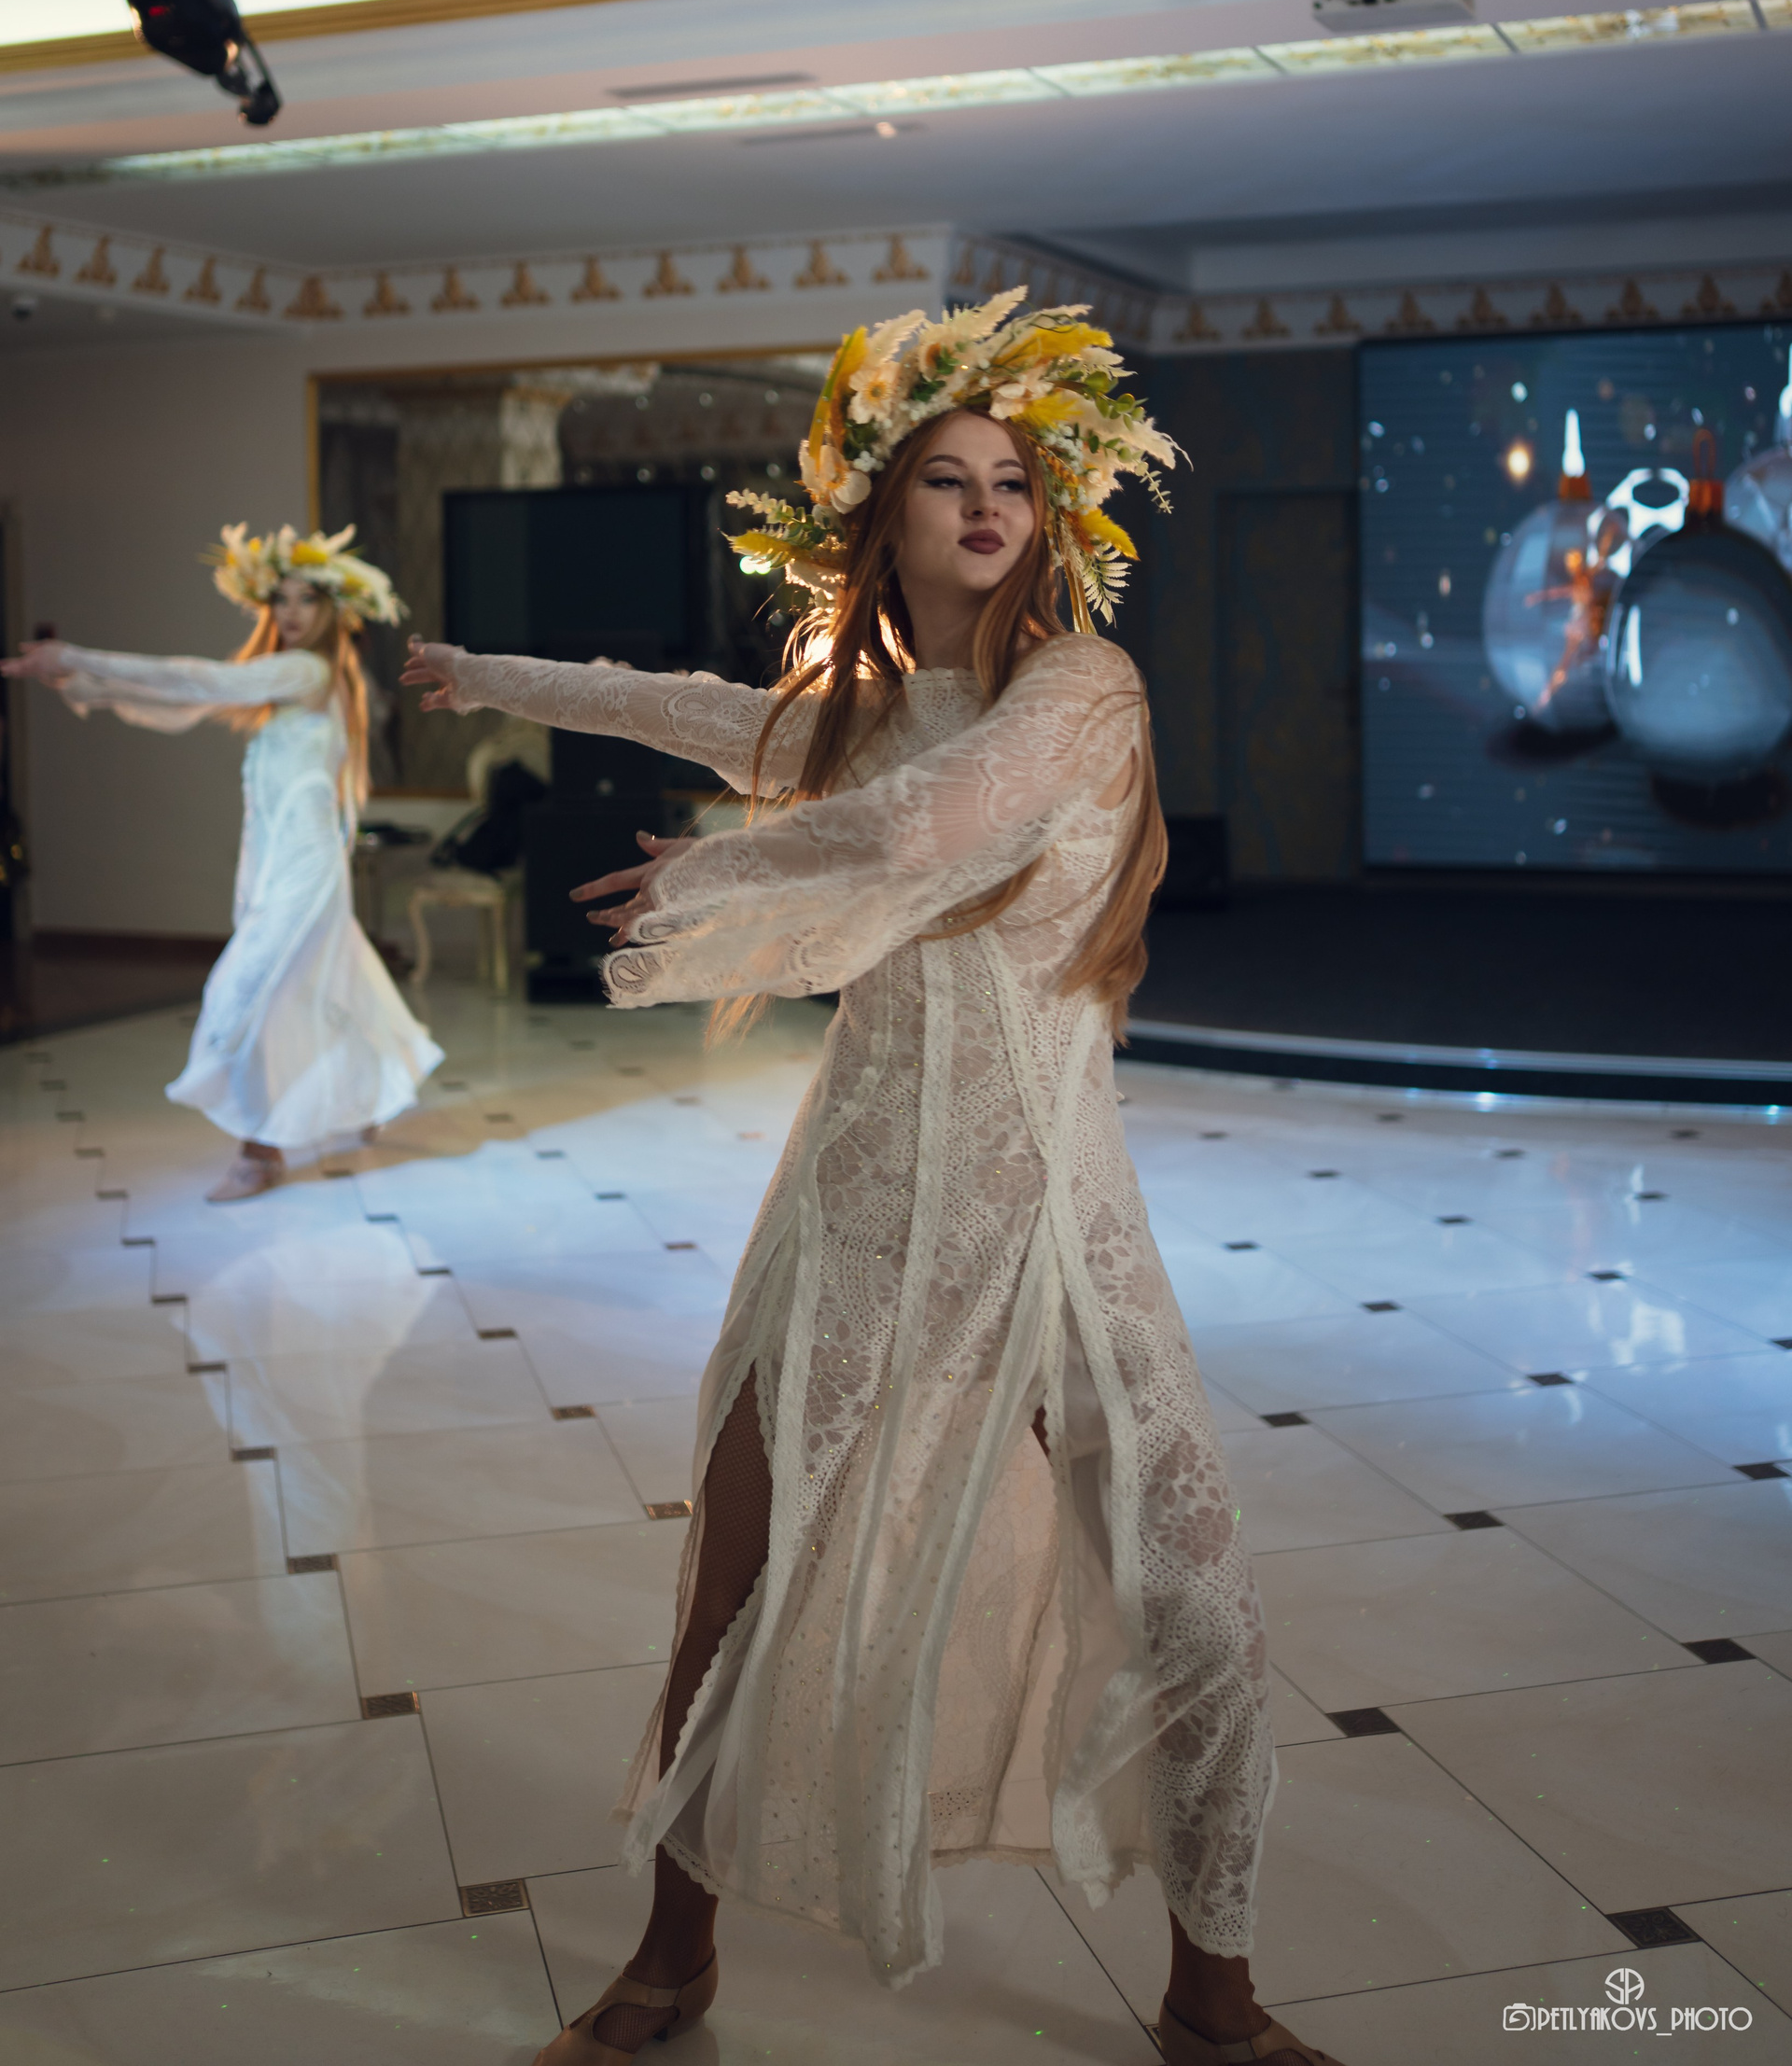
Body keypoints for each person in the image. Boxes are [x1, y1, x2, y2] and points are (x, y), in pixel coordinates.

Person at [402, 293, 1344, 2066]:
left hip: (1054, 1215)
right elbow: (684, 707)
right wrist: (489, 677)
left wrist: (716, 877)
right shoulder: (858, 715)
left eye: (1013, 481)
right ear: (883, 519)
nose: (987, 506)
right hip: (856, 1204)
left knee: (1194, 1596)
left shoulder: (1083, 691)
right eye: (946, 480)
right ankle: (670, 1959)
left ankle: (1214, 1997)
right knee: (735, 1598)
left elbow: (936, 823)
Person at [4, 523, 441, 1200]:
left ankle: (259, 1149)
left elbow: (196, 677)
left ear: (333, 610)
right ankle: (370, 1092)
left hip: (304, 868)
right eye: (280, 599)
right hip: (271, 864)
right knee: (327, 981)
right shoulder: (284, 680)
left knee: (248, 993)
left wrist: (80, 655)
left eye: (306, 599)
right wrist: (84, 683)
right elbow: (183, 704)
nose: (291, 612)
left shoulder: (309, 671)